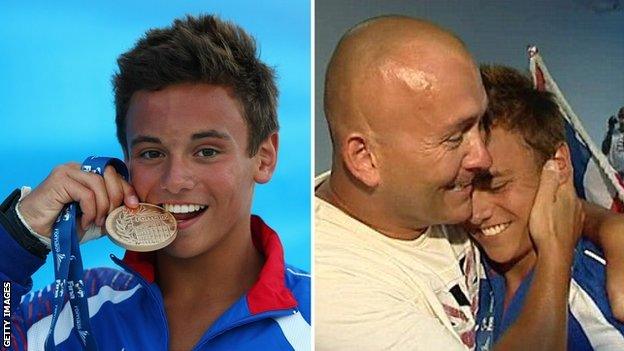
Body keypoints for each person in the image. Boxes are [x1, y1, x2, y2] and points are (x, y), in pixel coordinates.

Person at [1, 14, 310, 350]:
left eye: (206, 151)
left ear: (264, 157)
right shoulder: (72, 310)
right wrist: (17, 238)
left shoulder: (317, 318)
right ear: (126, 160)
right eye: (152, 153)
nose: (175, 180)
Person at [315, 15, 624, 350]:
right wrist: (555, 252)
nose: (481, 157)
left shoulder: (432, 197)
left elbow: (545, 196)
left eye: (478, 124)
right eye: (453, 138)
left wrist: (609, 227)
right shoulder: (332, 291)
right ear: (365, 159)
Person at [469, 65, 624, 350]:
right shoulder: (457, 259)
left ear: (559, 164)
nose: (476, 212)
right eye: (464, 187)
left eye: (496, 185)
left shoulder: (602, 297)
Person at [602, 107, 624, 176]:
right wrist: (610, 129)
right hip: (612, 174)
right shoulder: (611, 133)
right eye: (622, 117)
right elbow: (604, 150)